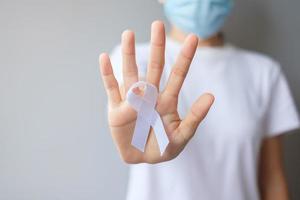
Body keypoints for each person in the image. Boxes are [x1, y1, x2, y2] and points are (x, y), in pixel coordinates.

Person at [99, 0, 300, 199]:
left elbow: (272, 180)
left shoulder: (264, 73)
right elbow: (135, 93)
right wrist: (140, 127)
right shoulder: (134, 61)